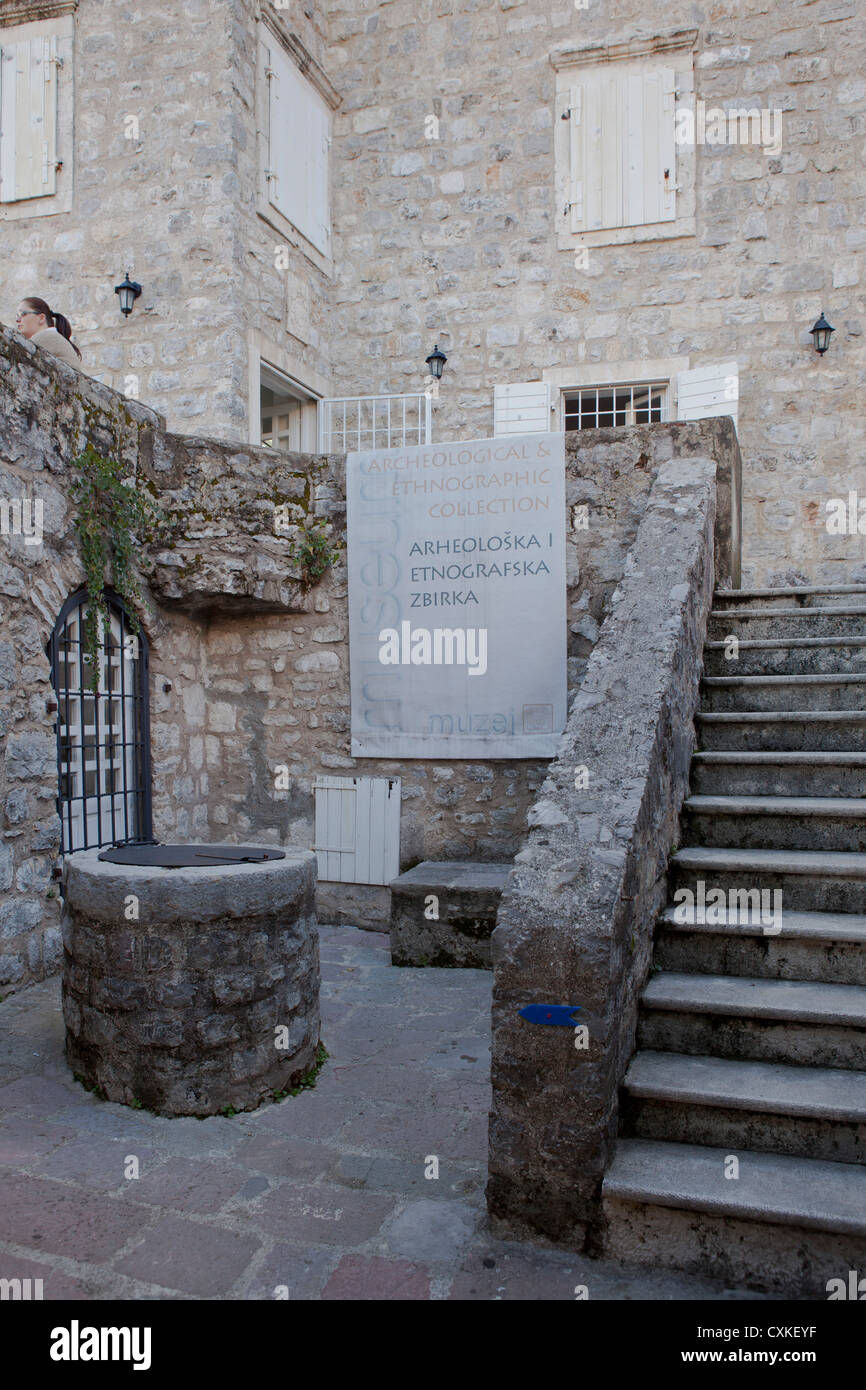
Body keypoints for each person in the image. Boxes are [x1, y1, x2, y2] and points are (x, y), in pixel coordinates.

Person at [15, 297, 86, 372]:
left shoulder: (46, 336)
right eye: (17, 315)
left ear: (41, 318)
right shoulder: (52, 336)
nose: (17, 320)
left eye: (23, 314)